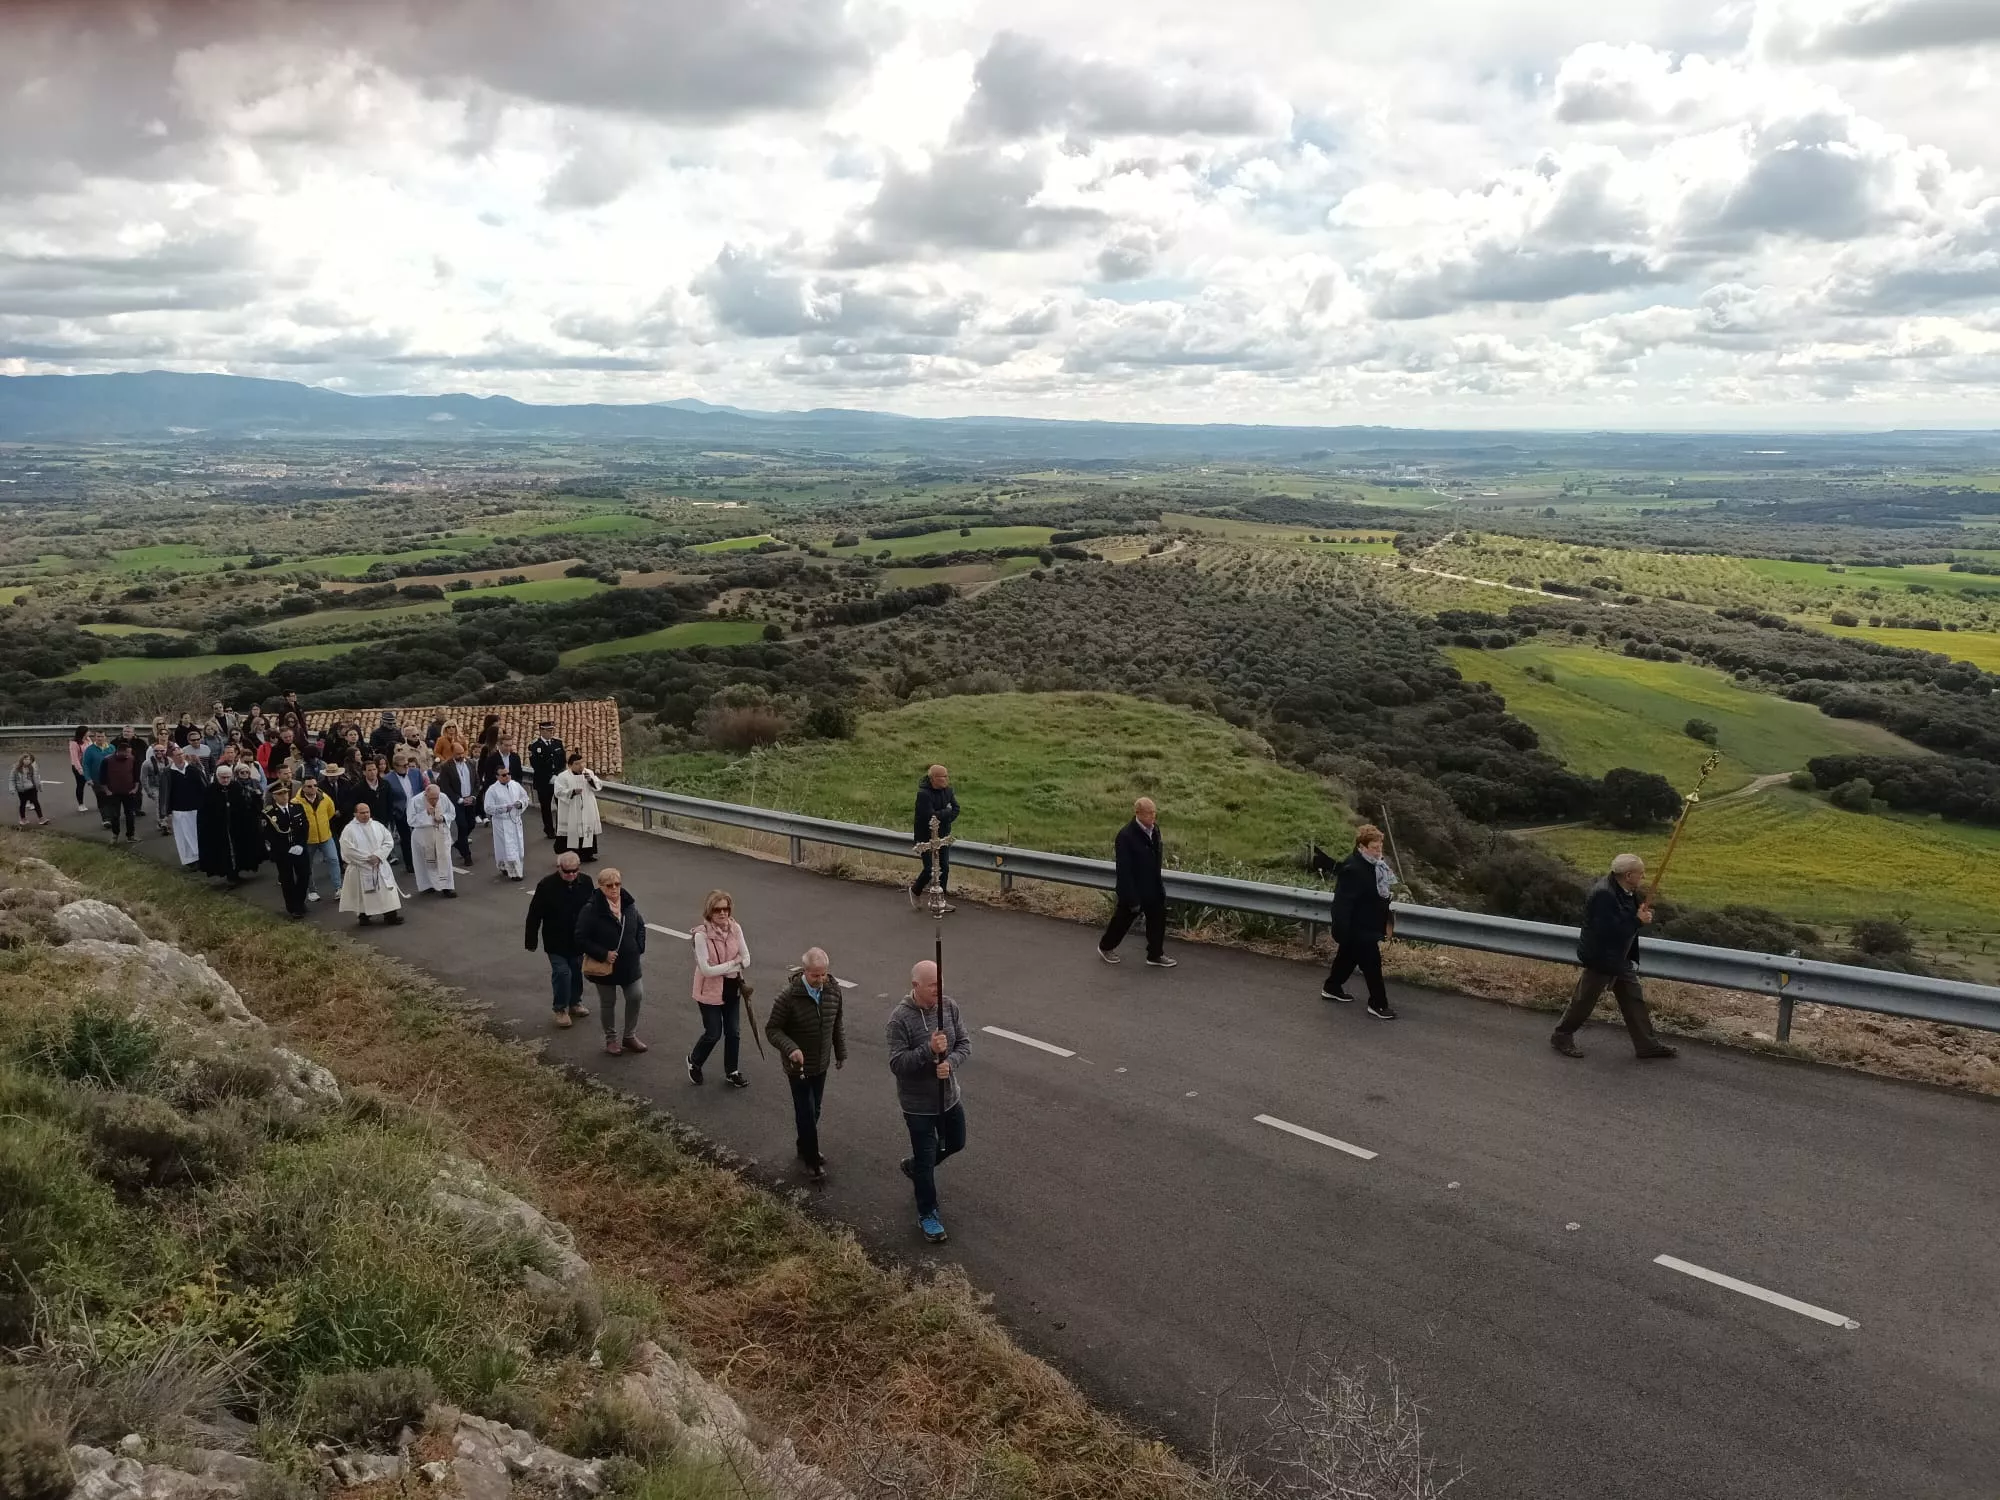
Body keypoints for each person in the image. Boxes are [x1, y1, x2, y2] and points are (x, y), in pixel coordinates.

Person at [1552, 854, 1678, 1061]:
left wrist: (1638, 914)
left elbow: (1624, 918)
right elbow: (1607, 932)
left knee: (1633, 998)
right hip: (1601, 957)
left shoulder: (1625, 890)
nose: (1644, 876)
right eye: (1640, 873)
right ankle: (1562, 1035)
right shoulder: (1604, 895)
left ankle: (1647, 1045)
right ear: (1628, 875)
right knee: (1585, 1000)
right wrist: (1638, 921)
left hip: (1619, 957)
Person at [887, 957, 971, 1244]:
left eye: (941, 982)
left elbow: (964, 1044)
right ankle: (928, 1214)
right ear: (915, 986)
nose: (939, 988)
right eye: (933, 985)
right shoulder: (899, 1019)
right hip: (918, 1106)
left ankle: (915, 1166)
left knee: (956, 1142)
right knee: (926, 1160)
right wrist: (927, 1049)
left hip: (948, 1097)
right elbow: (897, 1063)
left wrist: (951, 1063)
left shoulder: (949, 1006)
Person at [765, 947, 847, 1181]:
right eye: (815, 975)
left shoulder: (833, 990)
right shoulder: (788, 996)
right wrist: (792, 1049)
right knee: (806, 1112)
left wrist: (840, 1052)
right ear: (804, 971)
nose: (821, 980)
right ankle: (811, 1161)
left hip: (821, 1063)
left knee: (815, 1109)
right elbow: (772, 1029)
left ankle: (804, 1146)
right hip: (797, 1067)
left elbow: (836, 1022)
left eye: (824, 974)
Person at [1323, 824, 1398, 1018]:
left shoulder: (1376, 866)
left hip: (1366, 924)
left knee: (1347, 958)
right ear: (1362, 847)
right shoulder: (1354, 869)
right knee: (1372, 964)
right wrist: (1342, 930)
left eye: (1380, 847)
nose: (1378, 851)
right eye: (1374, 848)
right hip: (1358, 928)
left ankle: (1332, 988)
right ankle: (1378, 1004)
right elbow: (1342, 903)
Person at [1098, 797, 1176, 968]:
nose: (1152, 817)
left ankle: (1155, 954)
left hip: (1152, 886)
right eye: (1149, 814)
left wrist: (1159, 886)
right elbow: (1124, 870)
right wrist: (1131, 897)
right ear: (1138, 813)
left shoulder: (1155, 830)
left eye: (1154, 813)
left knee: (1157, 917)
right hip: (1133, 888)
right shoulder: (1126, 836)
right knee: (1122, 920)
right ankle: (1106, 947)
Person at [576, 867, 646, 1056]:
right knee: (608, 1002)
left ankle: (630, 1036)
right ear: (600, 887)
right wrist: (603, 953)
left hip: (629, 963)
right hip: (604, 967)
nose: (614, 889)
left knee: (636, 995)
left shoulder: (628, 904)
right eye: (609, 885)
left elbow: (640, 925)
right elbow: (580, 938)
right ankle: (611, 1040)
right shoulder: (591, 909)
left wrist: (638, 947)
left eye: (617, 884)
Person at [688, 890, 751, 1088]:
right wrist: (733, 963)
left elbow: (747, 959)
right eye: (717, 909)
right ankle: (694, 1061)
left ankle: (732, 1071)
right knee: (714, 1033)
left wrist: (728, 966)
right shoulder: (701, 936)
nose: (723, 913)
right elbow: (706, 970)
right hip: (709, 991)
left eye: (726, 909)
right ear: (709, 911)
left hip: (732, 987)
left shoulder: (735, 928)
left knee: (733, 1031)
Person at [524, 851, 593, 1027]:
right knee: (562, 973)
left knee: (577, 971)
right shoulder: (546, 885)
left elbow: (593, 910)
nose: (571, 875)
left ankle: (575, 1003)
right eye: (567, 871)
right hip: (555, 940)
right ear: (558, 868)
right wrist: (531, 941)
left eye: (574, 871)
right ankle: (560, 1009)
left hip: (578, 940)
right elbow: (534, 915)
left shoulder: (586, 882)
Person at [337, 802, 403, 926]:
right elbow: (348, 849)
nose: (365, 815)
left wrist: (378, 855)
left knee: (386, 892)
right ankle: (364, 916)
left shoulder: (377, 826)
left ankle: (391, 916)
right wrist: (367, 859)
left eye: (367, 812)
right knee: (363, 895)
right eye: (362, 813)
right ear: (355, 814)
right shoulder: (349, 829)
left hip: (379, 864)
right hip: (361, 867)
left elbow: (388, 841)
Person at [909, 764, 959, 912]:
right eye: (941, 777)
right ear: (932, 779)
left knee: (944, 867)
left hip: (943, 835)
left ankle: (941, 900)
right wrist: (946, 812)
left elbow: (956, 809)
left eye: (946, 776)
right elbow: (929, 816)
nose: (945, 779)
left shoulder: (948, 791)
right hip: (926, 837)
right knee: (929, 869)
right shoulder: (923, 794)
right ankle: (915, 891)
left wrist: (945, 817)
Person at [197, 764, 250, 885]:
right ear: (217, 777)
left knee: (238, 851)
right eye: (223, 777)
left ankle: (236, 873)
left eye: (228, 777)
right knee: (223, 852)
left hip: (235, 826)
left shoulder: (236, 787)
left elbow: (242, 806)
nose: (225, 780)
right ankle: (229, 875)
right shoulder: (210, 790)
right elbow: (205, 812)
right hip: (218, 828)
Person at [263, 788, 312, 918]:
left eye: (285, 793)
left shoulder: (296, 807)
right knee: (287, 879)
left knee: (305, 875)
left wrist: (301, 844)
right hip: (282, 852)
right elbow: (269, 835)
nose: (284, 796)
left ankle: (300, 902)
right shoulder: (269, 813)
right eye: (280, 794)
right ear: (274, 796)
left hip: (299, 848)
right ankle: (293, 907)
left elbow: (305, 826)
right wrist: (286, 848)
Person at [406, 781, 459, 898]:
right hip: (423, 835)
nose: (435, 801)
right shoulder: (415, 800)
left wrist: (443, 817)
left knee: (445, 858)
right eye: (432, 798)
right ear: (425, 794)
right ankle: (427, 885)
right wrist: (426, 814)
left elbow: (452, 812)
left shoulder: (443, 797)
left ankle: (447, 887)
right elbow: (410, 820)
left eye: (436, 798)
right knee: (423, 861)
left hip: (441, 833)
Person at [295, 774, 340, 902]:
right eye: (309, 786)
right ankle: (312, 891)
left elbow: (330, 812)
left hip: (326, 835)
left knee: (333, 860)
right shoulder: (296, 802)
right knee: (307, 865)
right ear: (303, 788)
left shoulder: (325, 798)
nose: (313, 788)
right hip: (308, 839)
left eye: (315, 785)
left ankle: (338, 888)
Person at [552, 751, 603, 862]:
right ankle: (572, 856)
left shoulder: (588, 772)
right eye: (577, 764)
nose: (581, 766)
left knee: (587, 830)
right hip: (571, 807)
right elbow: (558, 792)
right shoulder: (563, 776)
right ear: (570, 765)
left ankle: (588, 854)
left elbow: (598, 785)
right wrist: (572, 792)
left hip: (587, 806)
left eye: (582, 763)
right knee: (572, 830)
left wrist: (590, 780)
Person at [434, 748, 479, 868]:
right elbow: (445, 786)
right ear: (452, 753)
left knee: (471, 824)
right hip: (457, 802)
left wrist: (473, 796)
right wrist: (459, 799)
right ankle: (467, 855)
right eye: (458, 754)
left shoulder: (471, 763)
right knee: (463, 826)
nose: (461, 756)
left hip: (470, 800)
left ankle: (459, 843)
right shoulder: (446, 767)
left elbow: (476, 782)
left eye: (462, 753)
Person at [484, 764, 529, 880]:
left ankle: (506, 866)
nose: (507, 776)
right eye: (504, 775)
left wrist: (520, 803)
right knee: (507, 847)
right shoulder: (492, 790)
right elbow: (488, 808)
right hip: (502, 822)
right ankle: (515, 873)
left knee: (517, 846)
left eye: (508, 774)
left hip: (515, 820)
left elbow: (525, 798)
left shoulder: (515, 785)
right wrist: (504, 808)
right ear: (497, 776)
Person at [385, 749, 428, 871]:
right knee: (406, 838)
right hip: (401, 812)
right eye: (403, 766)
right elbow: (389, 798)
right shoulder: (388, 779)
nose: (406, 767)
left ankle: (422, 859)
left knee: (420, 836)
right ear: (395, 766)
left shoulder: (415, 773)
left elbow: (421, 789)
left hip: (417, 810)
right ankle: (410, 864)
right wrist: (394, 812)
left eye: (407, 764)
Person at [166, 746, 205, 867]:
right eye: (177, 755)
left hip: (196, 807)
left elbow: (203, 787)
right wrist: (167, 812)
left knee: (198, 834)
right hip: (179, 810)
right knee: (184, 836)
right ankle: (190, 860)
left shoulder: (193, 770)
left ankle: (202, 857)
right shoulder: (168, 773)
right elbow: (166, 793)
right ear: (171, 757)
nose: (181, 756)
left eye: (182, 754)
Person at [527, 719, 565, 839]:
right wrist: (549, 776)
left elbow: (562, 761)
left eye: (552, 730)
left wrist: (558, 774)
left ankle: (561, 829)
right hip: (543, 781)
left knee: (562, 805)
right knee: (546, 807)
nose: (551, 733)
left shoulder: (557, 743)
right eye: (548, 730)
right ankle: (549, 829)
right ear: (541, 731)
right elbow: (536, 765)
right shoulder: (535, 746)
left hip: (558, 780)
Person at [101, 739, 143, 843]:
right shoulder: (107, 760)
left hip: (129, 792)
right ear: (120, 751)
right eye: (128, 752)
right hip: (113, 793)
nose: (129, 755)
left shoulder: (132, 759)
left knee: (130, 814)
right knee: (115, 815)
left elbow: (136, 775)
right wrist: (107, 790)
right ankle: (115, 835)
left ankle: (131, 835)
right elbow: (102, 777)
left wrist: (135, 788)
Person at [81, 729, 112, 831]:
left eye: (102, 736)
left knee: (110, 798)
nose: (100, 738)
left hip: (110, 779)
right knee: (101, 798)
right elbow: (86, 765)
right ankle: (106, 819)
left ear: (105, 737)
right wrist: (88, 778)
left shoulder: (111, 748)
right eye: (98, 736)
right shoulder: (90, 750)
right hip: (96, 779)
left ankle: (112, 816)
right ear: (95, 737)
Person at [12, 753, 48, 827]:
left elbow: (36, 778)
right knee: (23, 804)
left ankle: (41, 818)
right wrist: (12, 788)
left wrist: (39, 787)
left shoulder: (32, 767)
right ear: (22, 760)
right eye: (25, 759)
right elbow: (12, 779)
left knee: (36, 802)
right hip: (22, 790)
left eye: (29, 759)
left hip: (31, 788)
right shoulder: (16, 769)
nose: (27, 761)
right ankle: (23, 819)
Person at [68, 725, 91, 813]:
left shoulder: (88, 740)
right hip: (79, 766)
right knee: (80, 785)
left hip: (88, 765)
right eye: (88, 731)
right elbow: (74, 758)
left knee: (96, 783)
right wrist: (80, 769)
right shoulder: (74, 743)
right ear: (83, 733)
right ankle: (81, 804)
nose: (89, 732)